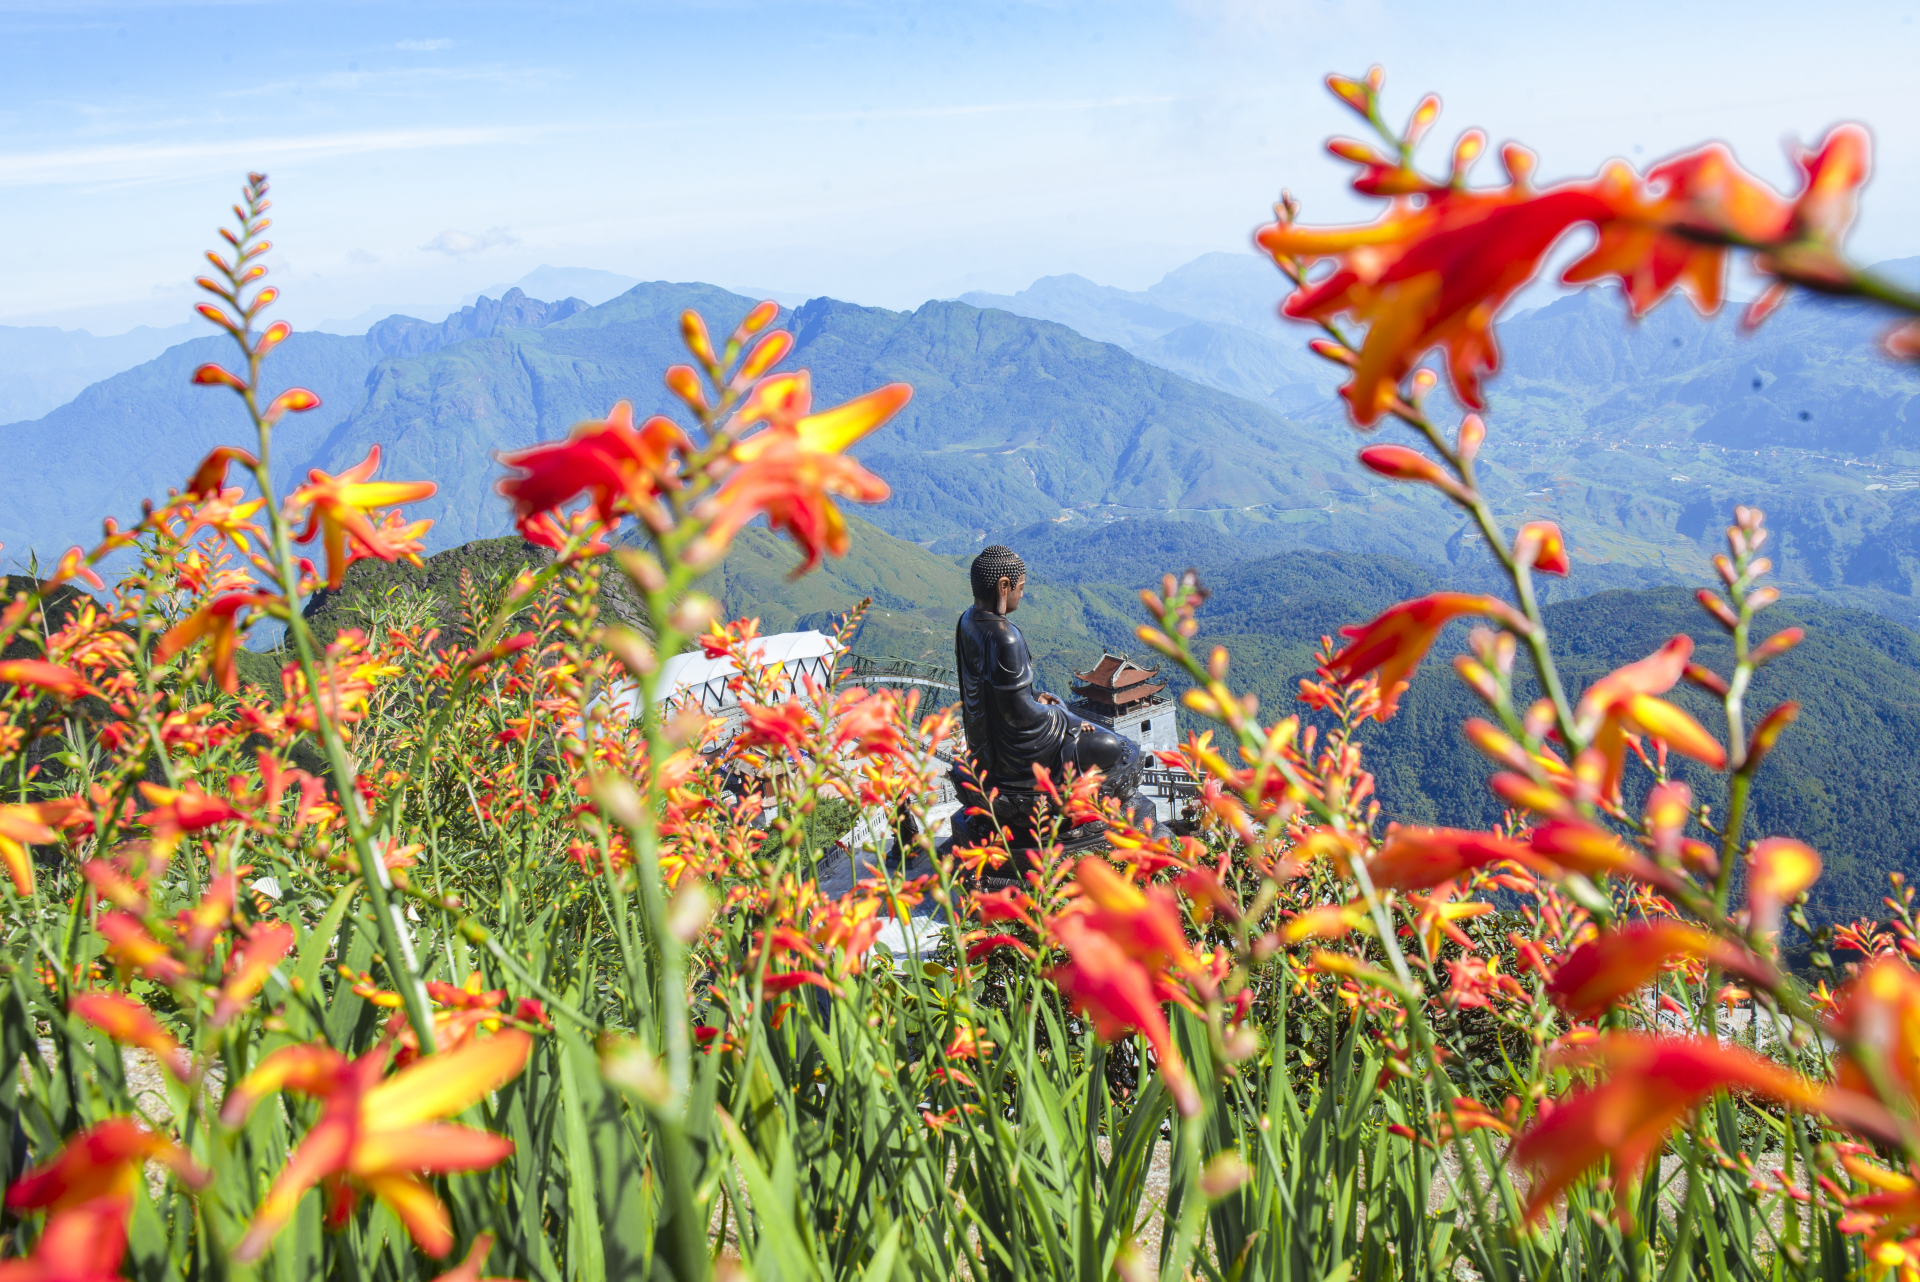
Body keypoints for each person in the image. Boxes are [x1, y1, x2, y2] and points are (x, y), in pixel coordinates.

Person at [952, 545, 1152, 845]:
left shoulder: (967, 621)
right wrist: (1066, 718)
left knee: (1073, 714)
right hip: (1019, 761)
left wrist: (1036, 696)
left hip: (985, 754)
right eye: (1020, 588)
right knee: (1113, 747)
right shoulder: (1005, 637)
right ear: (1004, 587)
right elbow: (1019, 716)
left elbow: (996, 697)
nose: (1022, 594)